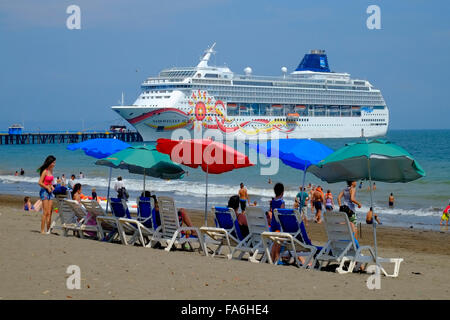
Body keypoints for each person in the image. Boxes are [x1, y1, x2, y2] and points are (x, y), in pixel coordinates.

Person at [267, 183, 285, 263]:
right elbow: (282, 215)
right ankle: (276, 257)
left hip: (273, 224)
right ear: (282, 192)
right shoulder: (281, 202)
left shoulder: (273, 201)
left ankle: (272, 256)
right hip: (278, 225)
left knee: (275, 240)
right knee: (278, 241)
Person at [38, 155, 56, 234]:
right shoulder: (45, 171)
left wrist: (51, 186)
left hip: (50, 192)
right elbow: (40, 182)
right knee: (45, 212)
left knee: (50, 212)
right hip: (44, 192)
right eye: (53, 162)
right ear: (50, 162)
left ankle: (48, 230)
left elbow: (50, 182)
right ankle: (42, 230)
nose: (54, 164)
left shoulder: (51, 171)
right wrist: (47, 187)